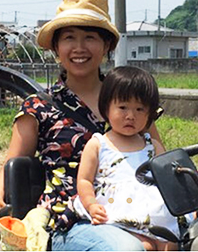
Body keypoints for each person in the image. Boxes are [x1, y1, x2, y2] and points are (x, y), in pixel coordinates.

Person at [0, 0, 164, 250]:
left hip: (136, 210)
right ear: (56, 48)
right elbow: (12, 163)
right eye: (69, 38)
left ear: (106, 46)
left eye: (89, 37)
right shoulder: (39, 107)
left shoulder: (132, 100)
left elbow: (157, 157)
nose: (79, 48)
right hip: (73, 219)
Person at [74, 66, 190, 251]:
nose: (130, 116)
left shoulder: (153, 145)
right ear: (106, 107)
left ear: (150, 113)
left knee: (172, 245)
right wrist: (91, 204)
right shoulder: (98, 144)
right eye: (122, 107)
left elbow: (170, 177)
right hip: (116, 214)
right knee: (144, 247)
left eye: (139, 109)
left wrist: (188, 178)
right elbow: (84, 180)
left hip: (155, 215)